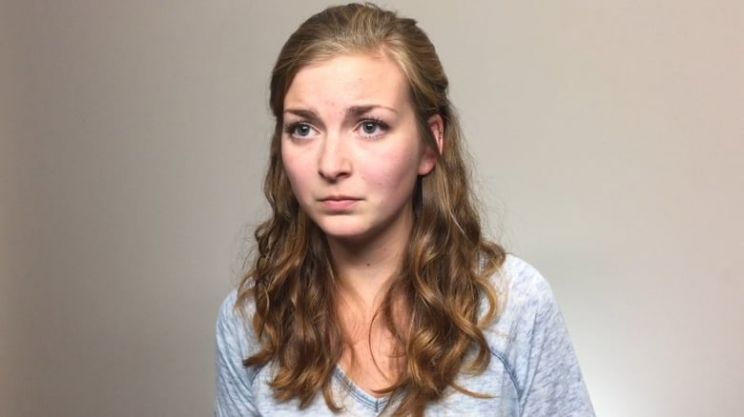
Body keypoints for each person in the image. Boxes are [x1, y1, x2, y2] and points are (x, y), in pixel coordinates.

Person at [215, 3, 594, 416]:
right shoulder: (250, 322)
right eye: (303, 129)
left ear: (430, 144)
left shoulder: (514, 306)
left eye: (370, 126)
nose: (331, 164)